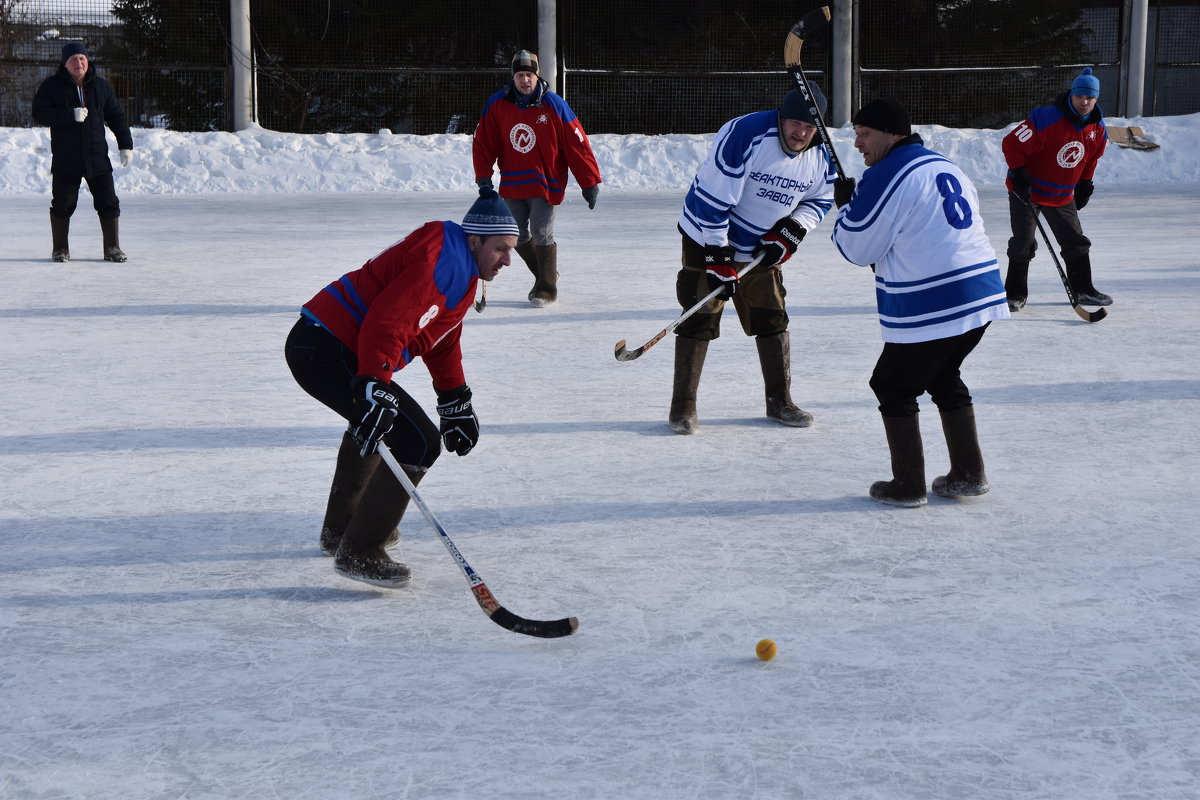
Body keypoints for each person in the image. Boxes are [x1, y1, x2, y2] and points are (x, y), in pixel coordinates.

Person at [284, 188, 518, 586]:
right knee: (419, 442)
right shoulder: (444, 264)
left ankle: (340, 531)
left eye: (511, 250)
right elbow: (387, 324)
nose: (508, 260)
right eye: (500, 249)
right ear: (475, 239)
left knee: (378, 421)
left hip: (326, 345)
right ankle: (359, 549)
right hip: (327, 348)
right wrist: (375, 381)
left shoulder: (459, 262)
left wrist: (454, 398)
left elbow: (442, 336)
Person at [830, 97, 1009, 508]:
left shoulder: (887, 174)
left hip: (938, 301)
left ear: (893, 134)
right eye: (856, 134)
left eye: (865, 134)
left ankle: (907, 486)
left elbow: (859, 248)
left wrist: (845, 209)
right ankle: (969, 473)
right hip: (981, 293)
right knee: (942, 374)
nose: (857, 143)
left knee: (891, 384)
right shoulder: (942, 165)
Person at [669, 86, 836, 435]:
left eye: (809, 126)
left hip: (762, 244)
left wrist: (791, 231)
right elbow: (711, 203)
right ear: (781, 116)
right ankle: (683, 407)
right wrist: (717, 257)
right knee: (702, 311)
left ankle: (780, 401)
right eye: (794, 123)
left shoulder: (821, 155)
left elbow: (820, 200)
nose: (801, 133)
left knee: (771, 315)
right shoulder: (747, 135)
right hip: (706, 233)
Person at [472, 50, 602, 307]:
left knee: (542, 233)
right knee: (516, 235)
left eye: (529, 75)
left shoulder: (554, 104)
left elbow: (577, 143)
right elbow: (484, 142)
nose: (525, 80)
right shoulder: (498, 104)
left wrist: (589, 181)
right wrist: (483, 176)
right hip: (513, 181)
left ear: (537, 76)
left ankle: (546, 287)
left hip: (546, 181)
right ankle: (547, 274)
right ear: (513, 77)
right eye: (520, 75)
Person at [1002, 67, 1111, 310]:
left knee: (1075, 241)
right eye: (1080, 96)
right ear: (1071, 95)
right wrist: (1019, 174)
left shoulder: (1098, 129)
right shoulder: (1046, 119)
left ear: (1096, 99)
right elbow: (1010, 144)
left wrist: (1084, 184)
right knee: (1023, 241)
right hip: (1028, 191)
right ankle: (1014, 294)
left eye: (1090, 97)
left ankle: (1083, 289)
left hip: (1061, 193)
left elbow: (1091, 159)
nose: (1085, 102)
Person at [31, 41, 134, 263]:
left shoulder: (101, 86)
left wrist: (125, 144)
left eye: (82, 58)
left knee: (108, 201)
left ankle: (112, 248)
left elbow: (116, 116)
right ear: (65, 64)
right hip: (66, 158)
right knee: (62, 203)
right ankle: (60, 249)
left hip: (97, 157)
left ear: (88, 61)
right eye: (73, 59)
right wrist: (69, 114)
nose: (79, 63)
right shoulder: (52, 87)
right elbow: (39, 113)